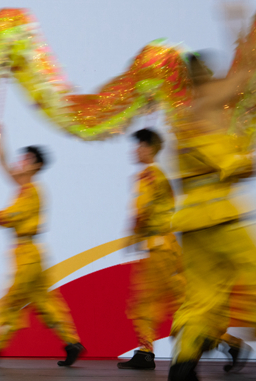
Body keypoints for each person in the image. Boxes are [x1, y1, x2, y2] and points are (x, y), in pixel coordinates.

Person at [167, 52, 256, 381]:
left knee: (202, 297)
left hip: (191, 222)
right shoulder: (205, 110)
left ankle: (183, 365)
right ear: (203, 77)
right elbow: (230, 165)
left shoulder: (184, 118)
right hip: (217, 215)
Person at [0, 122, 85, 367]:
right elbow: (2, 163)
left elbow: (12, 216)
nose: (20, 162)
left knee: (12, 300)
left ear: (36, 166)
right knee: (46, 302)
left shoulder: (30, 192)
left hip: (27, 255)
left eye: (26, 160)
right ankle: (72, 342)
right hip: (31, 254)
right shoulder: (25, 187)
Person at [118, 128, 184, 370]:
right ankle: (226, 342)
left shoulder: (148, 175)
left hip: (157, 248)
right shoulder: (159, 174)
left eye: (139, 145)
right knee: (182, 301)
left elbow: (142, 209)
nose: (135, 150)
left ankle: (145, 353)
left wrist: (132, 235)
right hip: (168, 247)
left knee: (143, 302)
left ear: (148, 148)